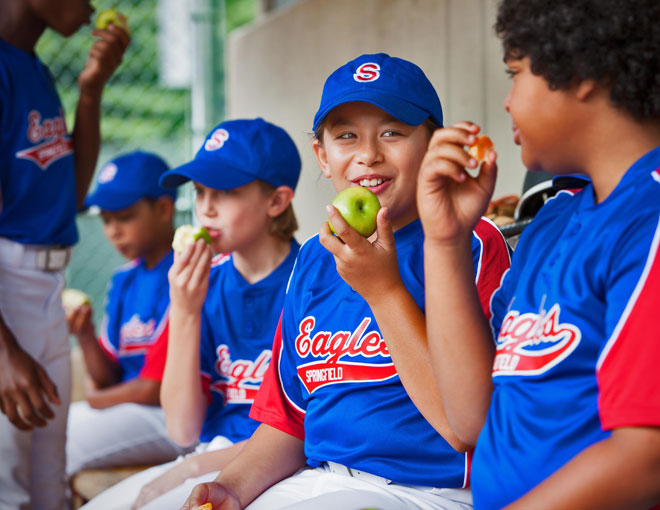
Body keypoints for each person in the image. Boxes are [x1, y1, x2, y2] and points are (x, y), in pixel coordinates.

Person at [182, 53, 511, 510]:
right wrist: (231, 487)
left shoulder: (470, 242)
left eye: (392, 131)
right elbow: (291, 419)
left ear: (434, 146)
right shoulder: (316, 256)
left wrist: (382, 289)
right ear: (322, 155)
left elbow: (466, 426)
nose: (368, 153)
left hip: (430, 490)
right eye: (346, 135)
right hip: (317, 480)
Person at [416, 0, 660, 508]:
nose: (506, 102)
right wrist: (445, 242)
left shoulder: (648, 215)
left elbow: (647, 455)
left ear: (585, 71)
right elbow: (470, 419)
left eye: (515, 73)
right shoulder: (554, 221)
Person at [80, 117, 301, 510]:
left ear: (276, 201)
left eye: (226, 192)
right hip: (208, 452)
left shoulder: (314, 280)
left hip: (288, 469)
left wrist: (191, 467)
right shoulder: (205, 281)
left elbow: (311, 433)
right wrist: (183, 311)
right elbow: (182, 429)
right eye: (200, 192)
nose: (206, 209)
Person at [0, 2, 129, 508]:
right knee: (8, 488)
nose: (92, 7)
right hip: (7, 291)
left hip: (46, 288)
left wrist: (90, 90)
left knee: (49, 483)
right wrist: (4, 352)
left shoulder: (30, 66)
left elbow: (72, 196)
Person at [66, 151, 194, 480]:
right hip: (127, 410)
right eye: (106, 220)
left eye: (124, 217)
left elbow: (154, 388)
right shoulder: (124, 279)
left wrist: (96, 398)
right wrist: (84, 334)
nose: (112, 231)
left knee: (58, 441)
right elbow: (108, 374)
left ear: (164, 209)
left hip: (171, 415)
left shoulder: (188, 269)